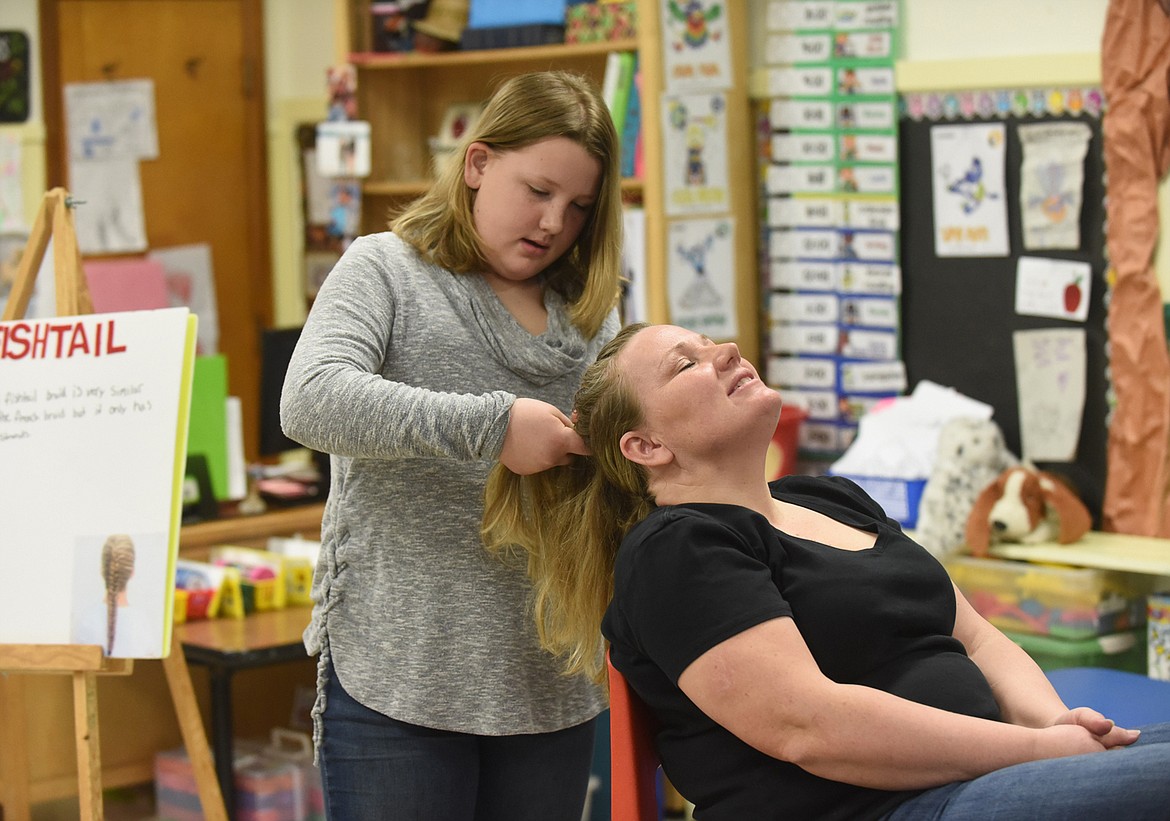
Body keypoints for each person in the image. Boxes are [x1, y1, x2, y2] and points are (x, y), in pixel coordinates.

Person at [482, 322, 1170, 821]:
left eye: (710, 340)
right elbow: (812, 727)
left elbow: (979, 638)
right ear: (646, 445)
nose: (725, 350)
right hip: (884, 807)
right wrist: (1036, 750)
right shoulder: (676, 550)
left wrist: (1057, 722)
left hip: (986, 773)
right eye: (685, 363)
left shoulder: (830, 495)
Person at [280, 70, 624, 821]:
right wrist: (495, 427)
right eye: (537, 190)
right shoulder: (386, 270)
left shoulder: (593, 314)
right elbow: (309, 400)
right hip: (397, 677)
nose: (552, 222)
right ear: (477, 164)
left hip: (549, 685)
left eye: (578, 207)